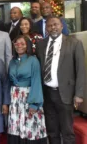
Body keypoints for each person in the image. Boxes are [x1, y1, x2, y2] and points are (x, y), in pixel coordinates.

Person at [36, 16, 86, 144]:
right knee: (52, 130)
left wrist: (79, 94)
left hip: (65, 93)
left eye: (55, 24)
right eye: (50, 25)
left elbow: (81, 70)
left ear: (61, 26)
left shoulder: (74, 43)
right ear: (46, 28)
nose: (53, 27)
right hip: (46, 93)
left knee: (67, 130)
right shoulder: (41, 44)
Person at [8, 35, 47, 144]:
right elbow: (9, 81)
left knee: (30, 128)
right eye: (16, 44)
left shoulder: (33, 60)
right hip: (15, 100)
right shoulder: (12, 61)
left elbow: (36, 81)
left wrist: (34, 103)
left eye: (22, 44)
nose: (19, 46)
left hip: (29, 97)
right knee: (17, 128)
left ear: (28, 46)